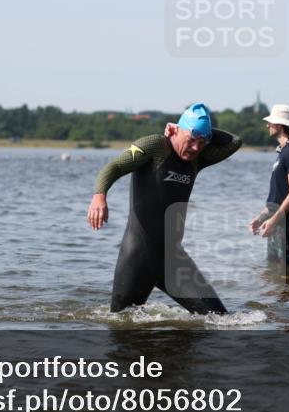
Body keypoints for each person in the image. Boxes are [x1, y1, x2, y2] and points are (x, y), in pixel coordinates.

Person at [87, 103, 242, 314]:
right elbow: (114, 167)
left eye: (203, 142)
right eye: (192, 140)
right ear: (176, 131)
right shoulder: (153, 146)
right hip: (138, 257)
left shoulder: (199, 158)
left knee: (220, 320)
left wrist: (201, 131)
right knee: (122, 324)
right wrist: (99, 196)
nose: (196, 147)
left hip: (173, 259)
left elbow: (235, 142)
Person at [249, 104, 289, 267]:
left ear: (280, 126)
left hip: (287, 223)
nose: (267, 125)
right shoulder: (283, 153)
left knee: (288, 271)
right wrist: (260, 218)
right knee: (274, 271)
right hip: (277, 221)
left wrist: (274, 220)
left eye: (271, 122)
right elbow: (277, 197)